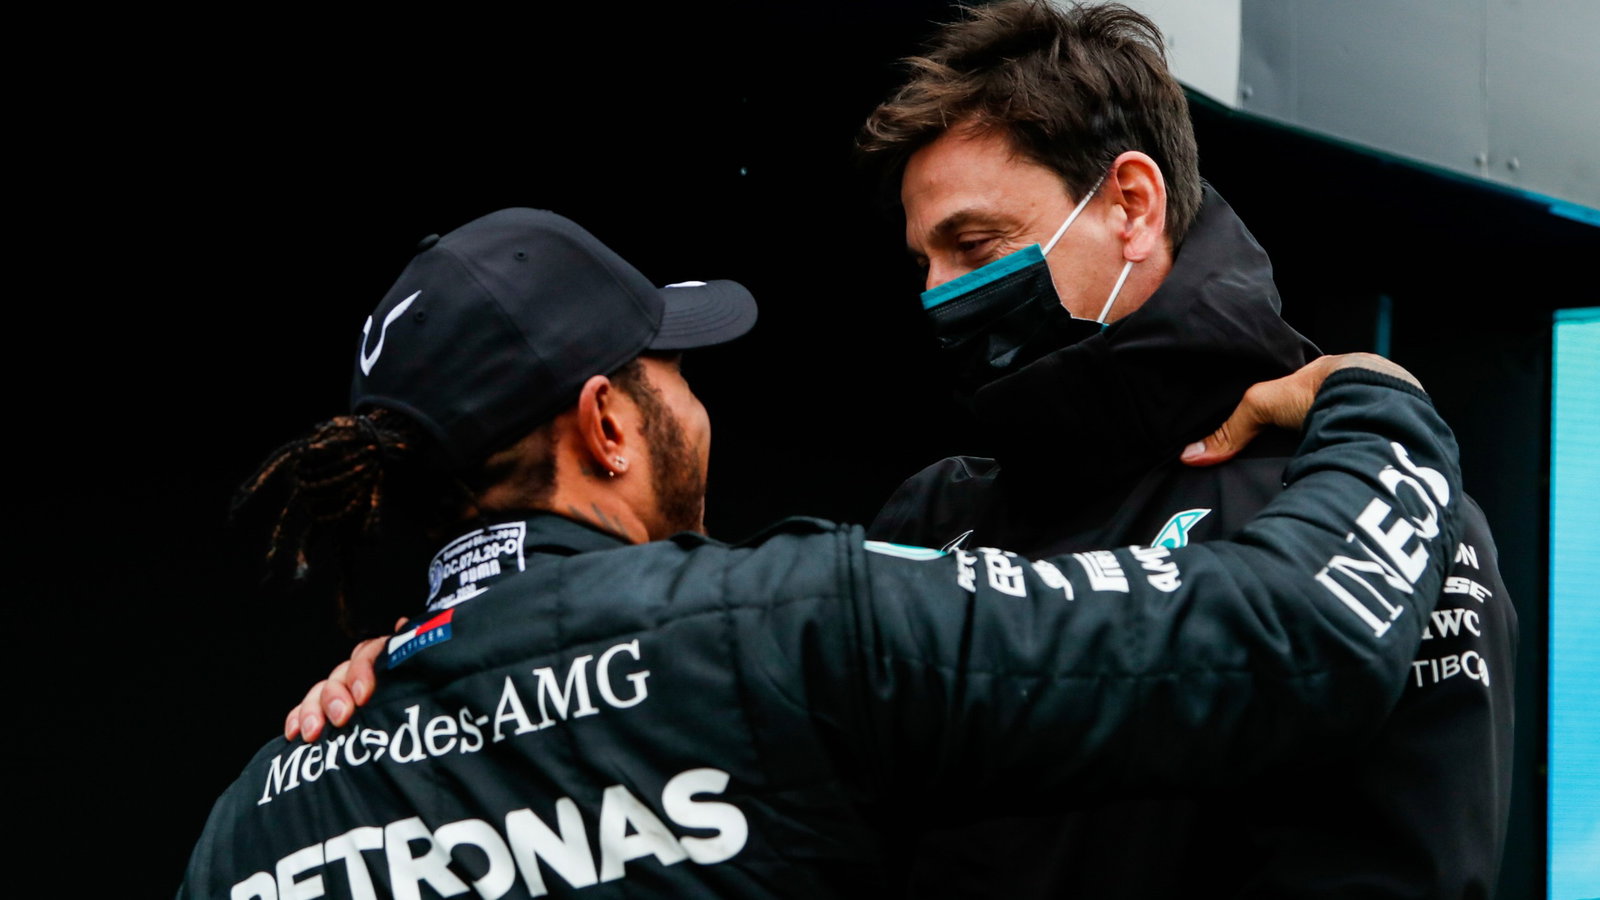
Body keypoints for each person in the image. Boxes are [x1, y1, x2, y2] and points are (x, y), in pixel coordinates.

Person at [183, 206, 1465, 899]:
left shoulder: (257, 817)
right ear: (608, 424)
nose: (697, 406)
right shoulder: (779, 629)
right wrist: (1376, 406)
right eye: (673, 372)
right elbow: (1298, 633)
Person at [854, 2, 1515, 897]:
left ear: (1132, 205)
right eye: (924, 263)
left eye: (974, 247)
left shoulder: (1371, 501)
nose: (938, 296)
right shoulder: (934, 515)